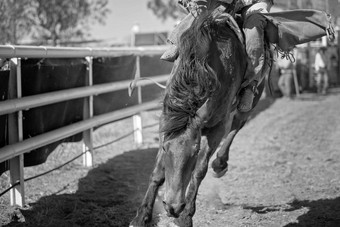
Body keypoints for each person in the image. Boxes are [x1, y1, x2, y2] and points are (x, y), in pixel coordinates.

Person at [162, 0, 334, 111]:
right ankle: (176, 42)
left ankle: (250, 85)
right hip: (224, 2)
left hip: (252, 3)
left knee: (254, 24)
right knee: (198, 12)